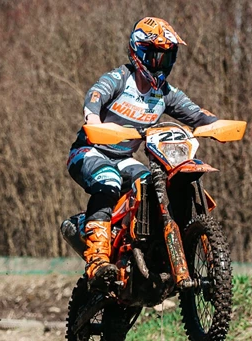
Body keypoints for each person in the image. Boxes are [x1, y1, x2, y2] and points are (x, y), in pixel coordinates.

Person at [67, 17, 219, 289]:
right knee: (108, 181)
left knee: (150, 186)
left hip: (124, 157)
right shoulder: (120, 78)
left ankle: (140, 247)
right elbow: (96, 94)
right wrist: (93, 118)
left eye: (167, 57)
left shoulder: (163, 93)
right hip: (89, 150)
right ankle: (98, 259)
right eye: (156, 56)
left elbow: (194, 113)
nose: (162, 64)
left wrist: (215, 124)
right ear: (139, 52)